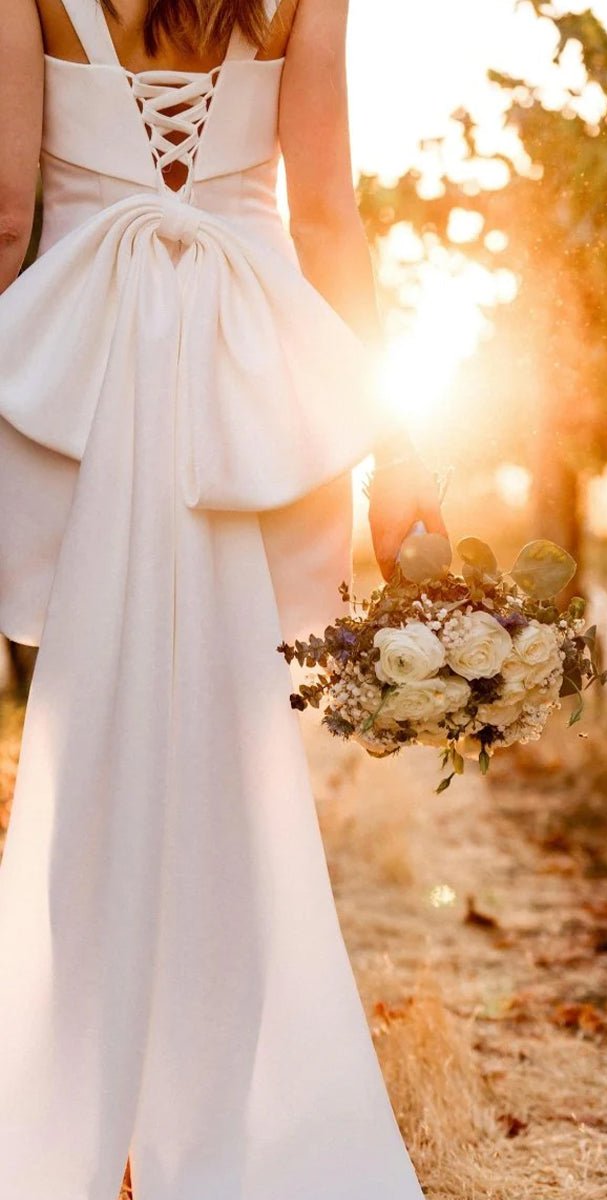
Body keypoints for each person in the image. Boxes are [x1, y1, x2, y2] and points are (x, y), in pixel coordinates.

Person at [0, 1, 444, 1195]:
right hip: (248, 394)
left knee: (85, 755)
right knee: (236, 767)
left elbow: (0, 216)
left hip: (87, 395)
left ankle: (65, 1129)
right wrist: (399, 457)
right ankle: (226, 1142)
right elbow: (329, 220)